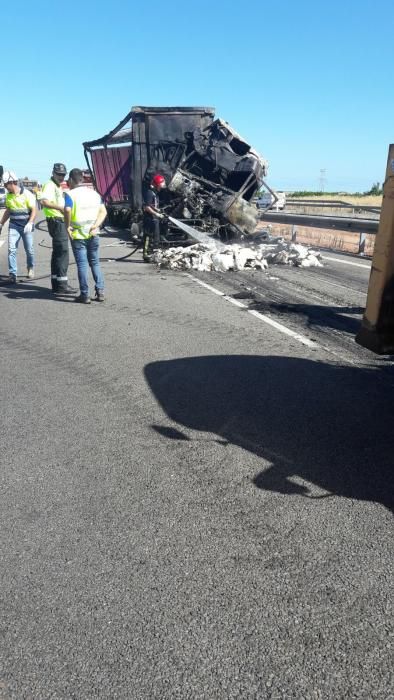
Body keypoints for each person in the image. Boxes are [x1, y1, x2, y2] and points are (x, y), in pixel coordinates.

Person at [64, 168, 107, 304]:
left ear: (71, 179)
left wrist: (67, 225)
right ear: (82, 179)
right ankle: (100, 291)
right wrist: (96, 225)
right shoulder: (94, 194)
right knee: (94, 262)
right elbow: (103, 211)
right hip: (93, 233)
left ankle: (85, 295)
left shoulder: (70, 195)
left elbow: (67, 209)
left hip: (78, 234)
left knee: (82, 264)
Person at [40, 163, 76, 294]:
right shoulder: (49, 185)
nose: (61, 177)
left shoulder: (57, 186)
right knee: (62, 252)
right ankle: (62, 285)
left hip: (57, 220)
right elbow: (44, 202)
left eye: (63, 175)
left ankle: (56, 282)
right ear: (53, 173)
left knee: (57, 253)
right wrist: (61, 209)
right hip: (56, 221)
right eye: (59, 174)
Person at [0, 171, 36, 283]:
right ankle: (12, 274)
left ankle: (30, 268)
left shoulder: (27, 194)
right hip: (14, 225)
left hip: (26, 226)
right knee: (11, 250)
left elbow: (34, 210)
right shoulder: (8, 196)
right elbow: (8, 211)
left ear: (11, 183)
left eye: (6, 185)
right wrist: (1, 223)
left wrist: (30, 223)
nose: (5, 187)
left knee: (29, 250)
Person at [142, 173, 166, 261]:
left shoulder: (154, 193)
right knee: (148, 237)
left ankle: (153, 254)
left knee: (155, 238)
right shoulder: (149, 193)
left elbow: (151, 205)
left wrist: (158, 210)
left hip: (154, 219)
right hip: (149, 219)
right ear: (157, 185)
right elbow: (146, 207)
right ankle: (146, 255)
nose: (161, 188)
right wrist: (156, 214)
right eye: (160, 186)